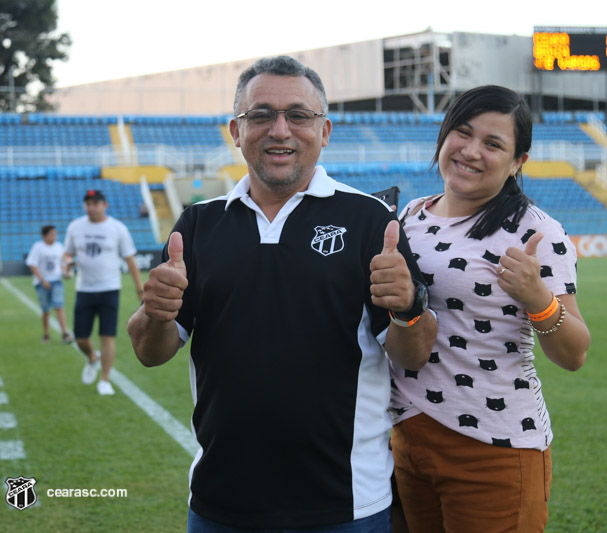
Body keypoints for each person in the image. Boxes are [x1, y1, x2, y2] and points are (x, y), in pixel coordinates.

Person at [127, 56, 437, 532]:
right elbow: (151, 351)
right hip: (219, 503)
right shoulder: (198, 223)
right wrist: (155, 314)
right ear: (235, 129)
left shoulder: (369, 220)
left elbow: (412, 354)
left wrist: (408, 308)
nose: (279, 130)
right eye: (260, 115)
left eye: (298, 115)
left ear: (325, 131)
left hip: (346, 504)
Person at [388, 85, 591, 533]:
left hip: (492, 445)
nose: (471, 151)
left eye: (493, 143)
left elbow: (574, 353)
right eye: (463, 132)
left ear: (519, 162)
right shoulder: (409, 217)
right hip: (407, 441)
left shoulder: (536, 232)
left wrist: (537, 298)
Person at [63, 189, 144, 396]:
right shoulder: (75, 227)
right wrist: (66, 265)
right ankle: (92, 358)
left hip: (109, 288)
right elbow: (68, 253)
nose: (91, 207)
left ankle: (105, 379)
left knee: (107, 335)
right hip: (84, 288)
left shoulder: (117, 228)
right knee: (81, 338)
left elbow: (130, 260)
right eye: (88, 203)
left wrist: (139, 289)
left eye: (95, 203)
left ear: (105, 205)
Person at [25, 225, 73, 344]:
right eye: (51, 234)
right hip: (42, 282)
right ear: (45, 236)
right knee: (45, 310)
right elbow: (32, 265)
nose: (54, 236)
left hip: (56, 280)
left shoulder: (59, 247)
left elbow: (63, 264)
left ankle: (64, 333)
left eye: (55, 234)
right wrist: (42, 280)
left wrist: (66, 272)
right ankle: (46, 333)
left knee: (59, 306)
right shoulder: (38, 247)